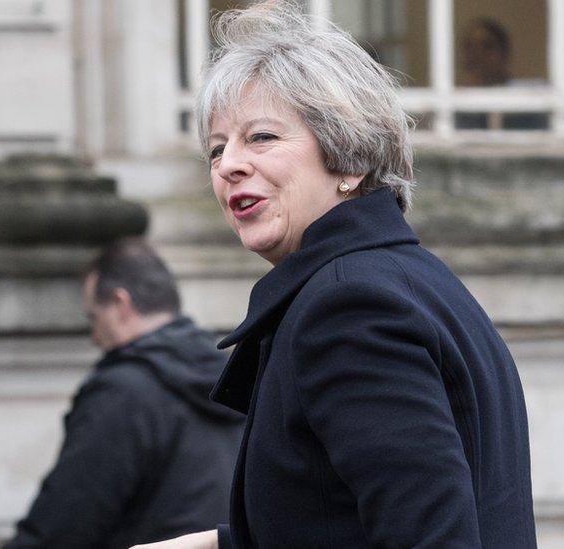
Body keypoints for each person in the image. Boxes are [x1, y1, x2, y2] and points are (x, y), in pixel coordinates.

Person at [136, 2, 536, 547]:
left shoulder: (350, 306)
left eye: (261, 138)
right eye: (215, 148)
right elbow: (346, 514)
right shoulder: (400, 278)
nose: (228, 164)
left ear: (348, 159)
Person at [3, 238, 243, 549]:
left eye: (93, 317)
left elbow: (64, 524)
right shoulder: (229, 377)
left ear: (120, 303)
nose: (94, 336)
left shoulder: (123, 391)